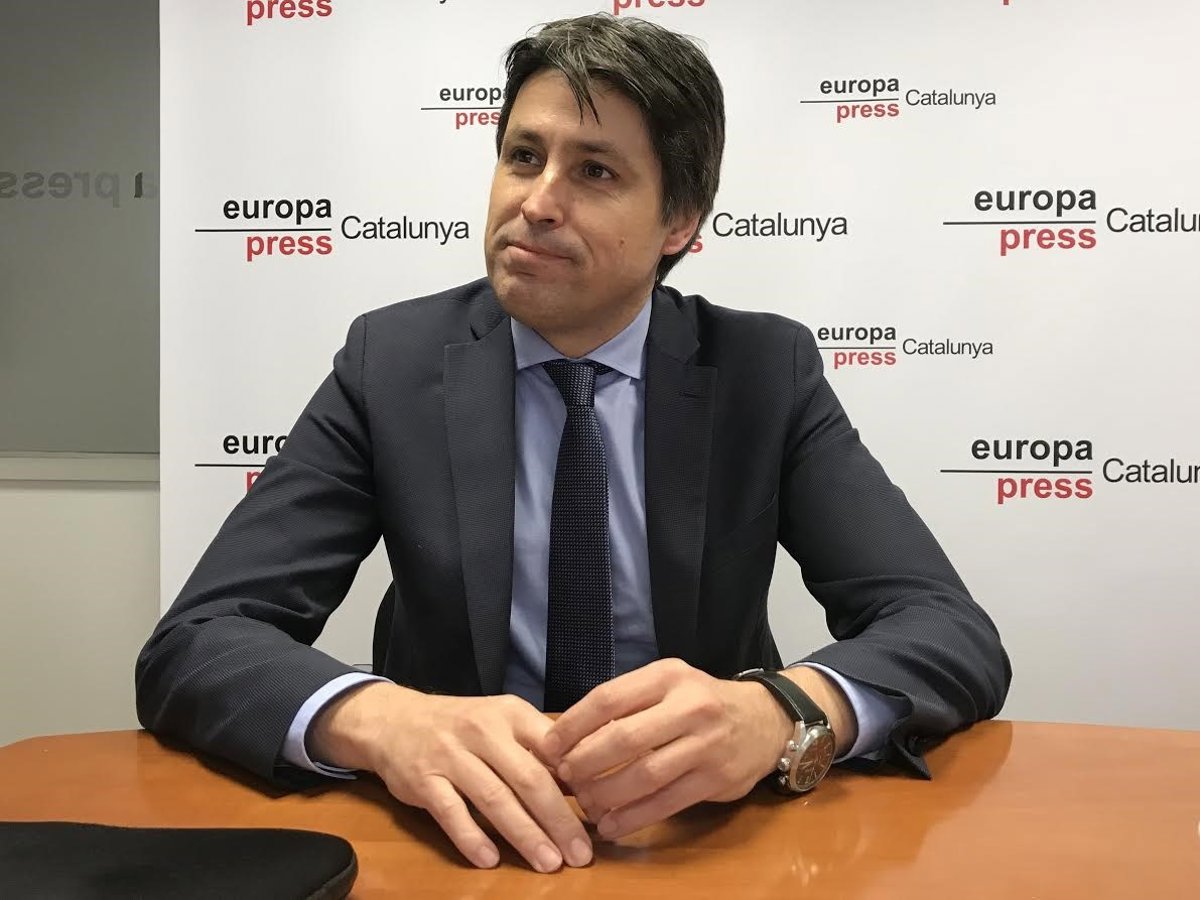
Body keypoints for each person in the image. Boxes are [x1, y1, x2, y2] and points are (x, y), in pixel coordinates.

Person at [136, 13, 1010, 876]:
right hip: (456, 842)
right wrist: (381, 720)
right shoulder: (391, 363)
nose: (537, 203)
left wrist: (781, 712)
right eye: (523, 156)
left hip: (696, 842)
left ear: (680, 223)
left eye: (595, 171)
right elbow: (200, 639)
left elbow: (944, 628)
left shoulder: (761, 371)